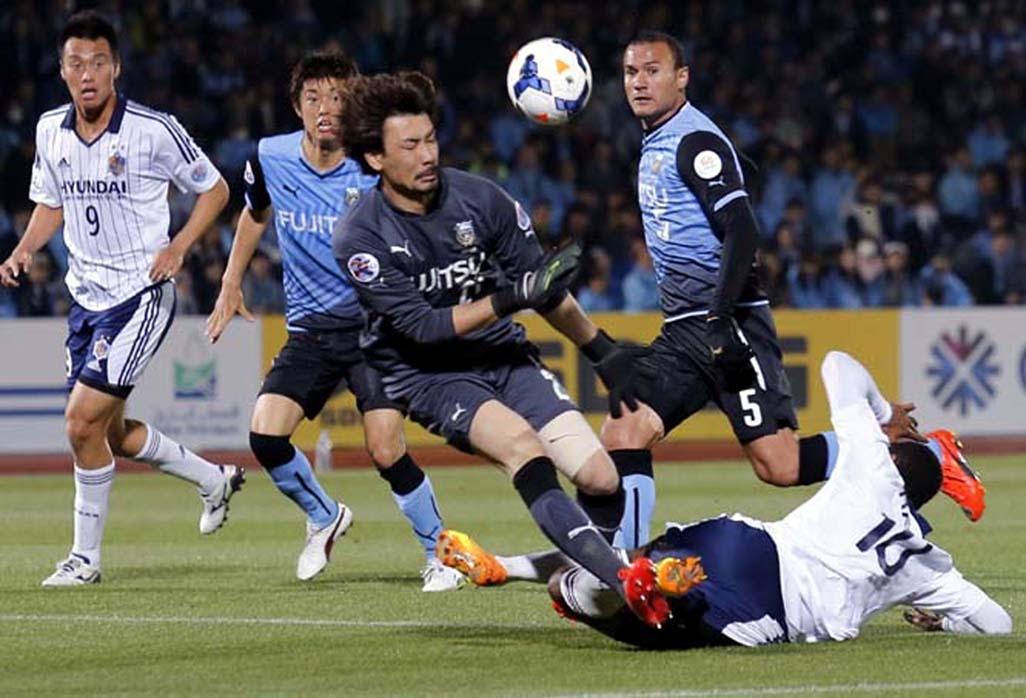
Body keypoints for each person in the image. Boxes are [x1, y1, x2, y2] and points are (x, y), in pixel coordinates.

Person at [594, 30, 982, 550]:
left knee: (779, 465)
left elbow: (742, 226)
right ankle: (621, 567)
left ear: (681, 77)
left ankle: (931, 456)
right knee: (623, 432)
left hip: (728, 324)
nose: (639, 82)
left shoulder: (694, 141)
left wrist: (719, 317)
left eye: (652, 70)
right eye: (630, 72)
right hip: (685, 329)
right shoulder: (659, 141)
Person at [332, 71, 664, 626]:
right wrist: (512, 298)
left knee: (602, 479)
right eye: (409, 146)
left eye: (431, 139)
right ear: (375, 159)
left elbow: (544, 286)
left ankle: (583, 578)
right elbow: (423, 327)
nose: (427, 154)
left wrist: (601, 351)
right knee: (522, 448)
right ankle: (622, 581)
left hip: (504, 358)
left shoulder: (481, 199)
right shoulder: (360, 236)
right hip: (429, 375)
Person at [438, 352, 1008, 649]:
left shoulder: (869, 465)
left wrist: (883, 416)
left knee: (627, 565)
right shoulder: (928, 566)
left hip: (744, 541)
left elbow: (838, 364)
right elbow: (998, 623)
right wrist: (947, 625)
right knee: (634, 616)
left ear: (894, 460)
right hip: (775, 608)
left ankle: (516, 568)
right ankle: (607, 590)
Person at [205, 51, 462, 591]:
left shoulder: (373, 163)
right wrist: (231, 282)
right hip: (311, 330)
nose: (326, 108)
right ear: (296, 106)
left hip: (375, 330)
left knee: (385, 447)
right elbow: (254, 213)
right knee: (265, 436)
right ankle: (324, 515)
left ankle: (441, 555)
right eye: (314, 97)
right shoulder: (270, 157)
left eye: (338, 97)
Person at [0, 12, 241, 586]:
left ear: (116, 69)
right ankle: (214, 479)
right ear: (62, 71)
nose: (88, 74)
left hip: (142, 297)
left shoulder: (153, 129)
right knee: (108, 432)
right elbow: (51, 203)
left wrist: (181, 245)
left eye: (98, 63)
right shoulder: (49, 131)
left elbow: (217, 189)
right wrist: (25, 249)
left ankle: (85, 560)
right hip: (86, 302)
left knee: (80, 423)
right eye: (76, 63)